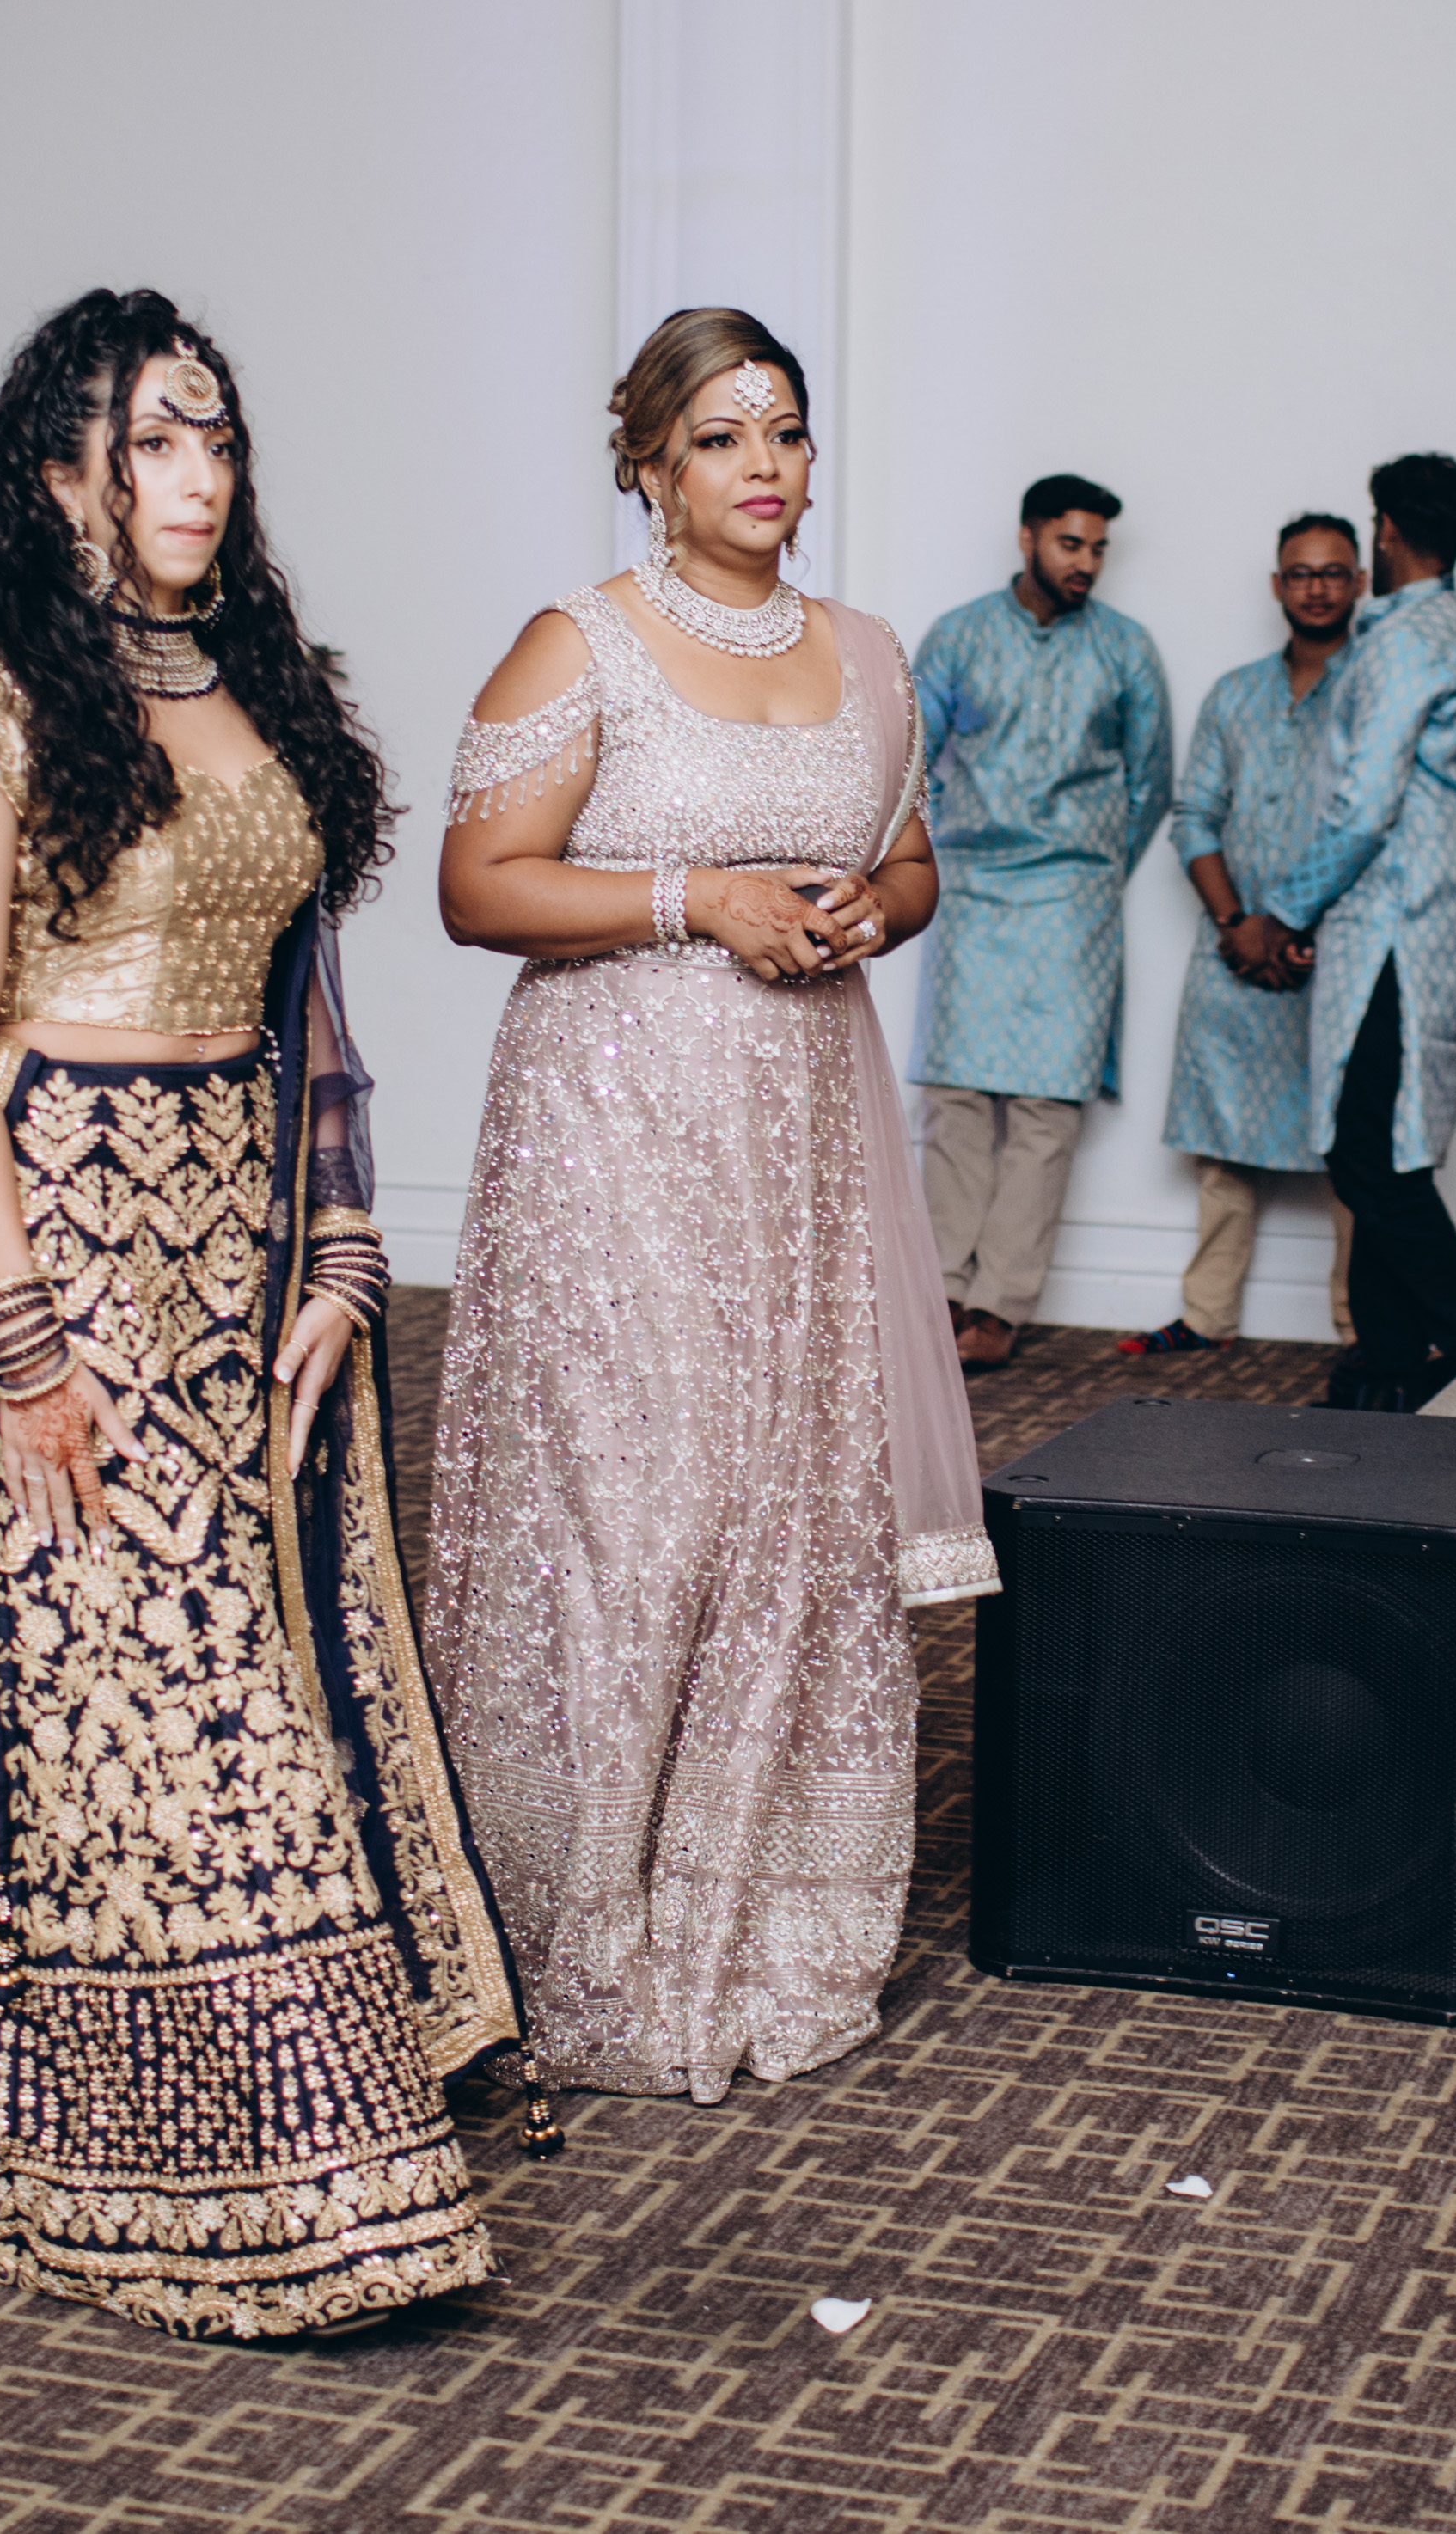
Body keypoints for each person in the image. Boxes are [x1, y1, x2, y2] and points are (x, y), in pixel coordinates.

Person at [0, 289, 516, 2337]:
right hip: (55, 1246)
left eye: (214, 439)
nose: (195, 477)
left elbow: (298, 1005)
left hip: (230, 1247)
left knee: (218, 1661)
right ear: (59, 476)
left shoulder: (260, 699)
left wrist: (338, 1241)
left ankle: (169, 2116)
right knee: (148, 1693)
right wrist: (22, 1345)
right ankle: (259, 2172)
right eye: (151, 441)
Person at [422, 306, 997, 2116]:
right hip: (608, 1141)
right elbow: (476, 884)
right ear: (651, 467)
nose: (765, 466)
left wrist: (868, 911)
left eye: (787, 432)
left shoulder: (871, 653)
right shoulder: (578, 642)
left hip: (800, 1148)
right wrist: (697, 898)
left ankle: (757, 1906)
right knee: (628, 1508)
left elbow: (911, 863)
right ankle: (566, 1924)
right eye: (724, 436)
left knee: (783, 1500)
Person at [1245, 454, 1456, 1406]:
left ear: (1386, 531)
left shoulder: (1406, 640)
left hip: (1401, 927)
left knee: (1372, 1153)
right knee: (1374, 1146)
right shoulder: (1439, 629)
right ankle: (1389, 1361)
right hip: (1400, 918)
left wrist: (1285, 911)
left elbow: (1364, 806)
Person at [908, 476, 1175, 1370]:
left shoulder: (1125, 649)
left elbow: (1151, 782)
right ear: (1027, 538)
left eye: (1097, 548)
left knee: (1045, 1105)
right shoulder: (958, 635)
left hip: (1074, 898)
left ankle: (1000, 1302)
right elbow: (912, 761)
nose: (1085, 562)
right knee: (955, 1098)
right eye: (1070, 544)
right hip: (972, 888)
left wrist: (1092, 868)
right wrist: (938, 855)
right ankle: (942, 1288)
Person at [1123, 513, 1362, 1355]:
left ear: (1360, 582)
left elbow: (1372, 823)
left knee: (1354, 1143)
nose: (1316, 588)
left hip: (1336, 952)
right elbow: (1194, 816)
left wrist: (1299, 930)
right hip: (1234, 949)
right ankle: (1207, 1314)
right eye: (1300, 573)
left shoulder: (1375, 690)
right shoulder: (1234, 693)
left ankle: (1361, 1323)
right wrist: (1237, 925)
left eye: (1332, 572)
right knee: (1221, 1138)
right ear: (1276, 585)